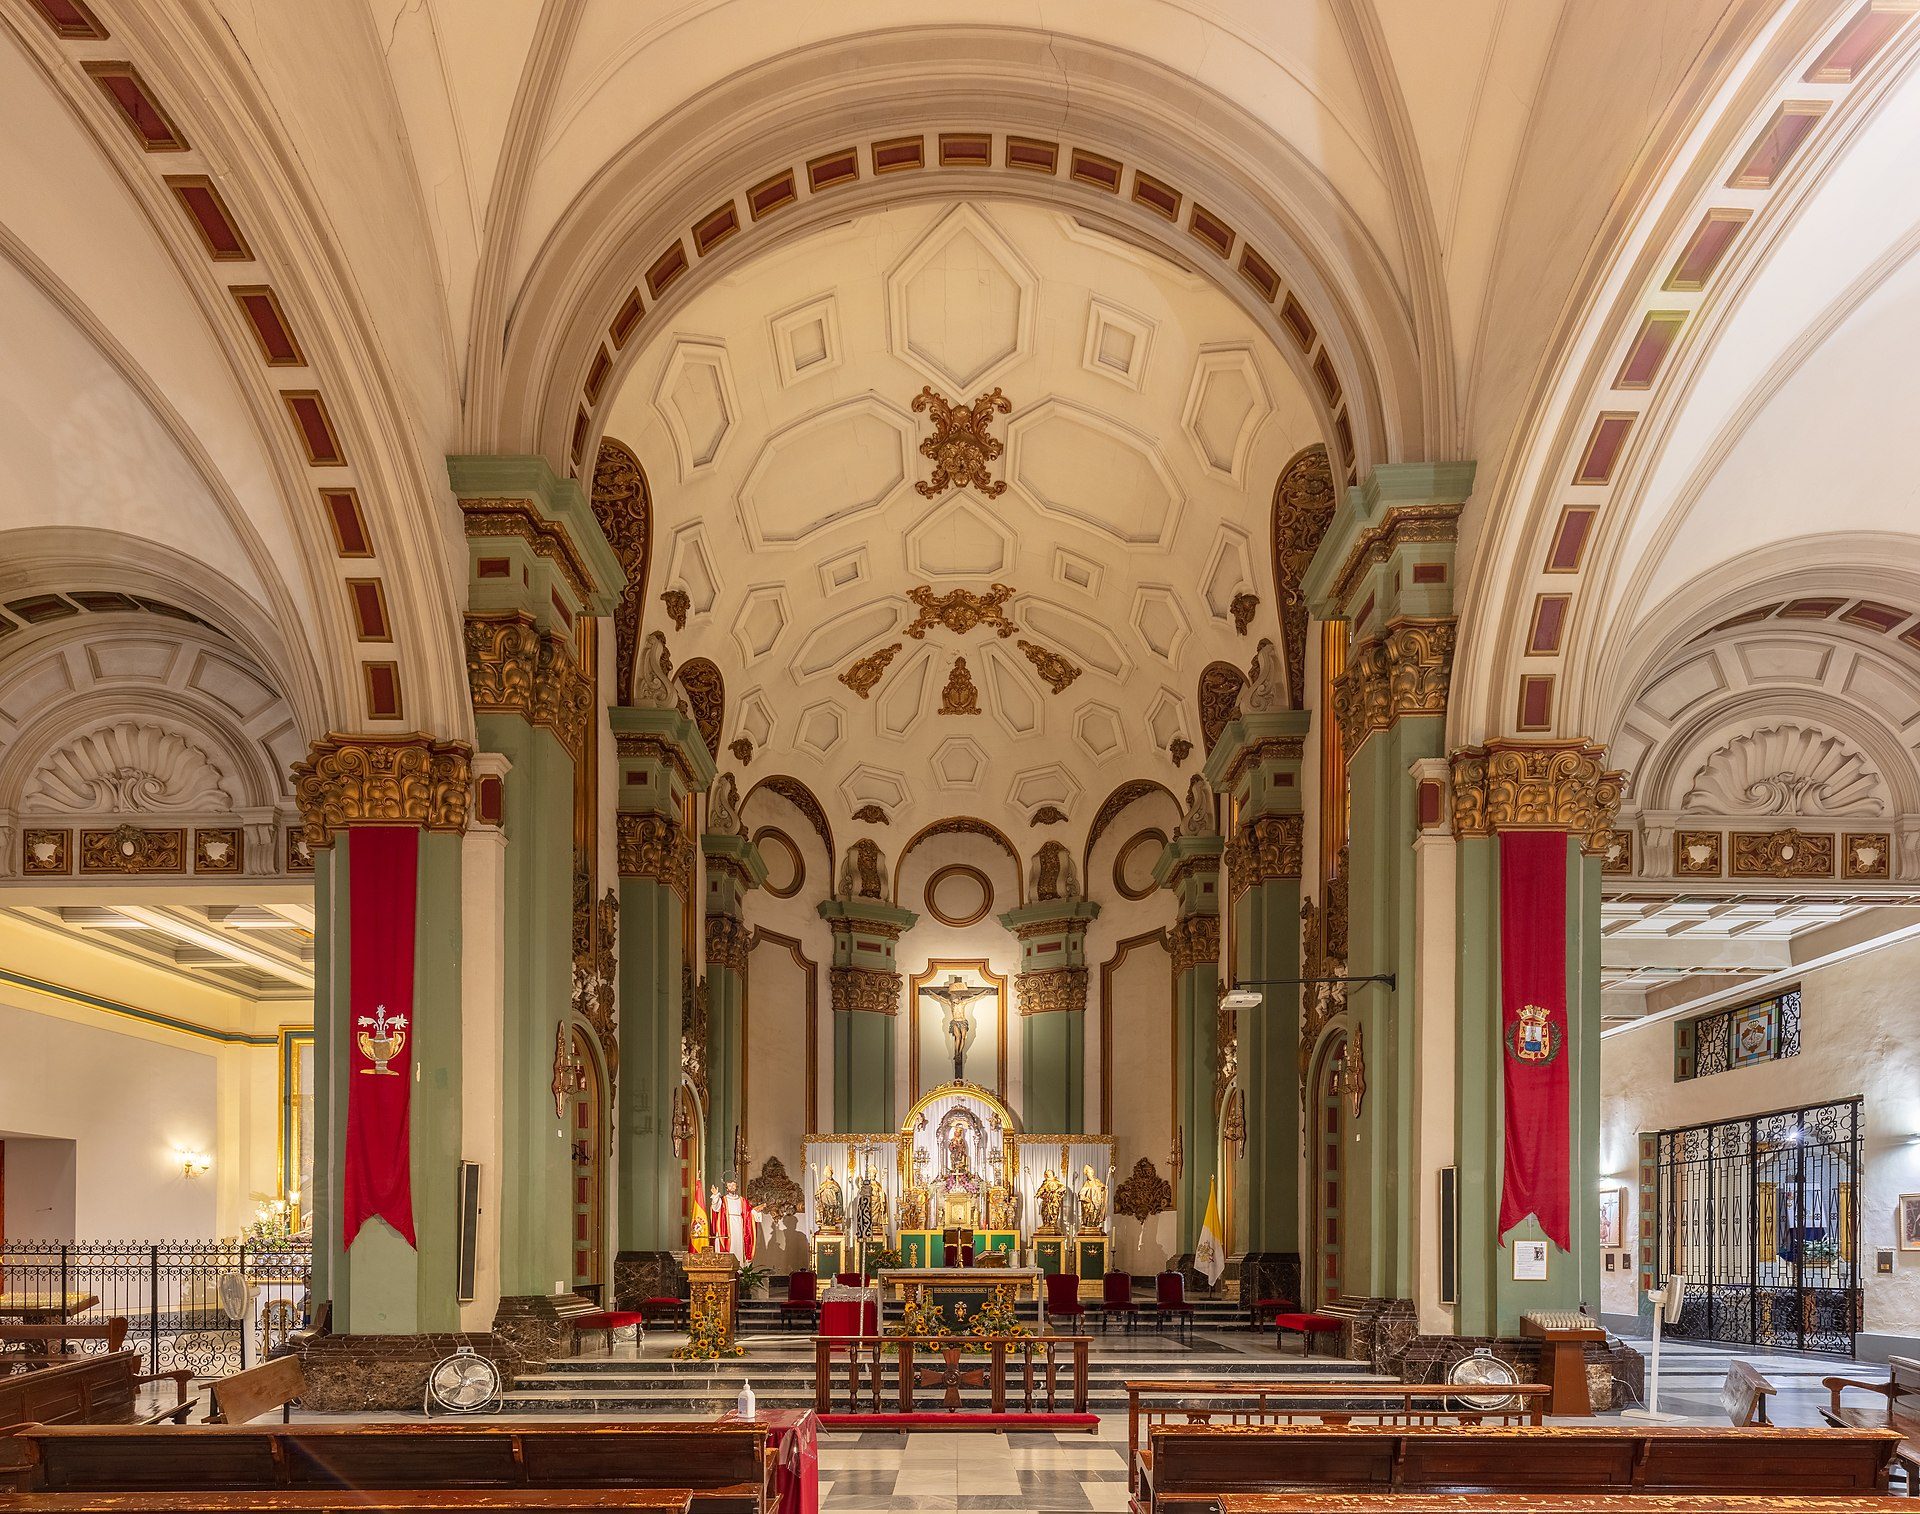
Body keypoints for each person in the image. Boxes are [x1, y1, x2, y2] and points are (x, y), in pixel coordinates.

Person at [711, 1177, 755, 1263]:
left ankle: (739, 1268)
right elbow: (715, 1208)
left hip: (739, 1224)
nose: (732, 1187)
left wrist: (755, 1211)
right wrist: (716, 1196)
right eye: (729, 1186)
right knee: (730, 1244)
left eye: (733, 1185)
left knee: (738, 1243)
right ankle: (726, 1265)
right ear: (727, 1188)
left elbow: (748, 1212)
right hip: (727, 1224)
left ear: (736, 1187)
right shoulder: (723, 1199)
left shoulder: (742, 1200)